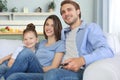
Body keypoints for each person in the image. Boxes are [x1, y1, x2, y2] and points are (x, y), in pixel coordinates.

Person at [43, 0, 114, 80]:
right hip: (60, 69)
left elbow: (107, 50)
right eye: (63, 12)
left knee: (52, 74)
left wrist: (82, 60)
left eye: (69, 10)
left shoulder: (90, 28)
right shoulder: (64, 32)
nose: (66, 13)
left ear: (78, 11)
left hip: (78, 71)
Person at [4, 15, 65, 80]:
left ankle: (4, 77)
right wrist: (4, 59)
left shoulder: (60, 44)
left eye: (52, 25)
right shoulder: (42, 42)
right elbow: (23, 51)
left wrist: (31, 68)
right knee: (13, 75)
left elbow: (54, 67)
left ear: (57, 27)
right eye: (47, 24)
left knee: (27, 52)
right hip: (32, 69)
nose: (48, 28)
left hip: (43, 72)